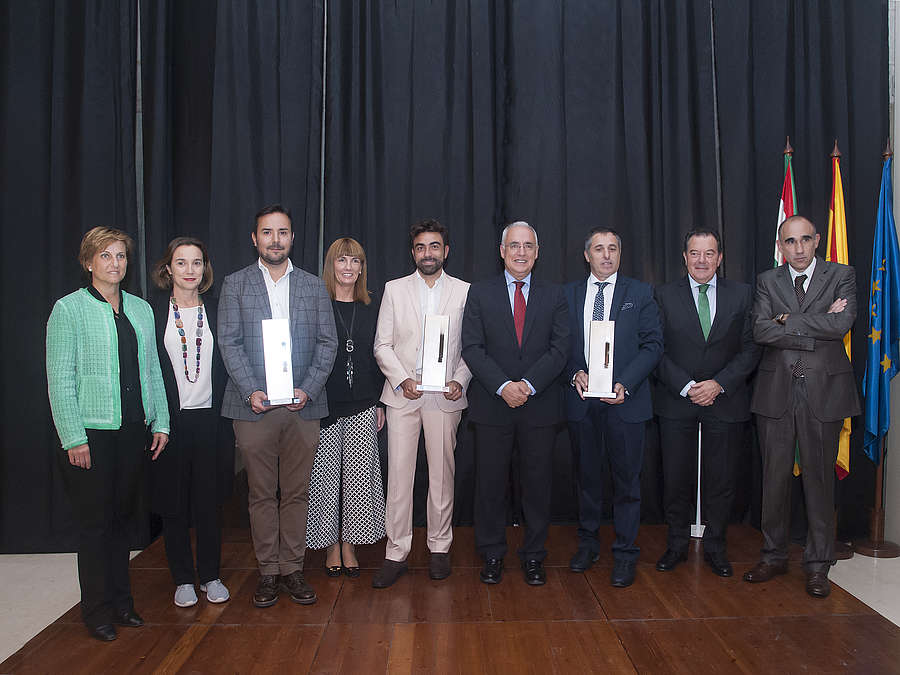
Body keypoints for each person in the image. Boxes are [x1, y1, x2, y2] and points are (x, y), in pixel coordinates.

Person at [46, 227, 169, 642]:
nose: (115, 263)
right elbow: (59, 380)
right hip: (92, 435)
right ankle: (95, 610)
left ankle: (122, 602)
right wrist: (72, 437)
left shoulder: (140, 309)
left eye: (120, 256)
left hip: (134, 430)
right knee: (95, 526)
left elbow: (152, 370)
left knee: (122, 522)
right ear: (88, 262)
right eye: (106, 256)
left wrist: (162, 421)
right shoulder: (69, 310)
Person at [218, 204, 337, 607]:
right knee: (261, 493)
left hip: (303, 405)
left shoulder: (313, 285)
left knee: (298, 492)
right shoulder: (235, 285)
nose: (275, 240)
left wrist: (308, 387)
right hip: (253, 407)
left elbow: (328, 343)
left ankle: (293, 568)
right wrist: (251, 388)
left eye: (282, 232)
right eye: (267, 233)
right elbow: (229, 342)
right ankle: (268, 571)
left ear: (292, 238)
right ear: (255, 239)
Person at [744, 215, 860, 598]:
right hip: (776, 391)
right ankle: (773, 555)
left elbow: (841, 324)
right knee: (773, 480)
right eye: (789, 242)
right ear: (781, 245)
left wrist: (787, 320)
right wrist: (815, 326)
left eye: (804, 241)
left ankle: (818, 564)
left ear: (817, 241)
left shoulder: (842, 274)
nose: (797, 249)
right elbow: (760, 330)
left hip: (823, 392)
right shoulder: (767, 280)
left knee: (819, 481)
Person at [462, 221, 569, 586]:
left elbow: (560, 349)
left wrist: (529, 385)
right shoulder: (480, 292)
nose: (520, 252)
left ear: (537, 252)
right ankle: (492, 553)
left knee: (537, 487)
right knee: (490, 485)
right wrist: (504, 385)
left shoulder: (555, 295)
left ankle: (534, 556)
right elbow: (472, 348)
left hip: (540, 406)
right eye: (514, 246)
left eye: (528, 246)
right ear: (502, 251)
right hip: (493, 406)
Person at [653, 229, 760, 577]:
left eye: (709, 253)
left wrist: (719, 384)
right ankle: (676, 545)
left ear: (720, 257)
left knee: (722, 480)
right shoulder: (663, 295)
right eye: (695, 254)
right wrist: (686, 386)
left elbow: (751, 348)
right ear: (684, 257)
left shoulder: (743, 295)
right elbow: (656, 349)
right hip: (676, 401)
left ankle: (715, 546)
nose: (702, 260)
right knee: (676, 478)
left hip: (725, 400)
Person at [372, 220, 471, 587]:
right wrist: (402, 380)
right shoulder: (394, 290)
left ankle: (439, 547)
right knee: (398, 477)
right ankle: (396, 552)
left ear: (445, 251)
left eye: (434, 246)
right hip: (403, 396)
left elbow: (472, 348)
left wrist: (459, 380)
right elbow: (382, 345)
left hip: (443, 398)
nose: (427, 253)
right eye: (420, 247)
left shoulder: (464, 292)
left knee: (442, 476)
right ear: (412, 252)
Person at [565, 228, 662, 588]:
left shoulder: (640, 292)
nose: (606, 255)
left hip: (626, 402)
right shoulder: (569, 294)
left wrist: (627, 382)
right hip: (582, 403)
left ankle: (624, 553)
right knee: (587, 479)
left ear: (620, 254)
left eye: (613, 249)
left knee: (627, 482)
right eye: (599, 249)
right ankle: (588, 545)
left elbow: (653, 344)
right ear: (586, 255)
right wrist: (575, 370)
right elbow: (561, 344)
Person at [149, 237, 234, 607]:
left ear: (205, 269)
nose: (189, 270)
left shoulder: (218, 310)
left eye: (196, 263)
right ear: (168, 269)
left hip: (212, 421)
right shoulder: (150, 312)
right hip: (169, 423)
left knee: (208, 502)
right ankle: (183, 578)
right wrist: (156, 421)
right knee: (174, 503)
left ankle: (210, 576)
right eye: (181, 263)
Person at [306, 237, 386, 579]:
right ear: (331, 266)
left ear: (362, 268)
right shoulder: (316, 305)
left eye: (356, 262)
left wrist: (381, 400)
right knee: (324, 479)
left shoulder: (372, 307)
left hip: (364, 403)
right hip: (324, 403)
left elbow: (378, 356)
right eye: (342, 261)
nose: (349, 268)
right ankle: (330, 546)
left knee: (358, 479)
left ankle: (350, 545)